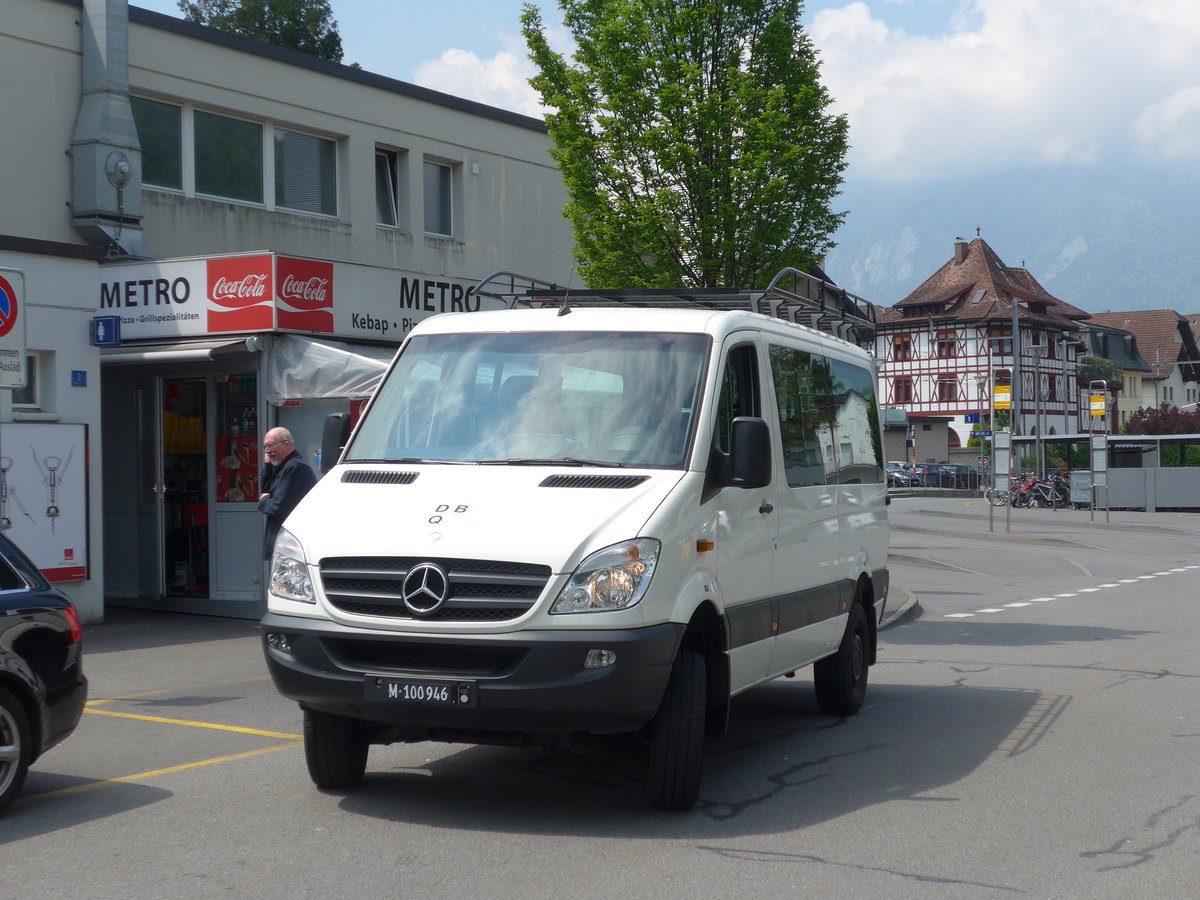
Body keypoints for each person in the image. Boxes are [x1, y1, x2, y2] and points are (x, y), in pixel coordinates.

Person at [257, 427, 317, 561]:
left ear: (285, 444)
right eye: (265, 447)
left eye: (270, 445)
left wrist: (263, 502)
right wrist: (268, 467)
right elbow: (266, 491)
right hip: (283, 544)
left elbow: (277, 506)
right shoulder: (282, 466)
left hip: (290, 546)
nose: (267, 451)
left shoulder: (295, 467)